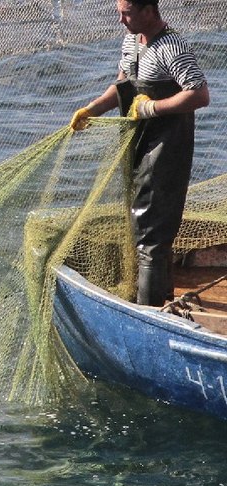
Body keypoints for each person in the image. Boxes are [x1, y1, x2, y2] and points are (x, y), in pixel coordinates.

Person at [69, 0, 209, 306]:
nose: (120, 19)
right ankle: (165, 300)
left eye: (127, 12)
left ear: (149, 11)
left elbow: (199, 94)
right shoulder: (131, 41)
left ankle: (150, 311)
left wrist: (151, 108)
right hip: (138, 145)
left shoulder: (172, 46)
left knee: (150, 235)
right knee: (145, 227)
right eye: (119, 11)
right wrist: (91, 110)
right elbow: (122, 87)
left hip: (167, 147)